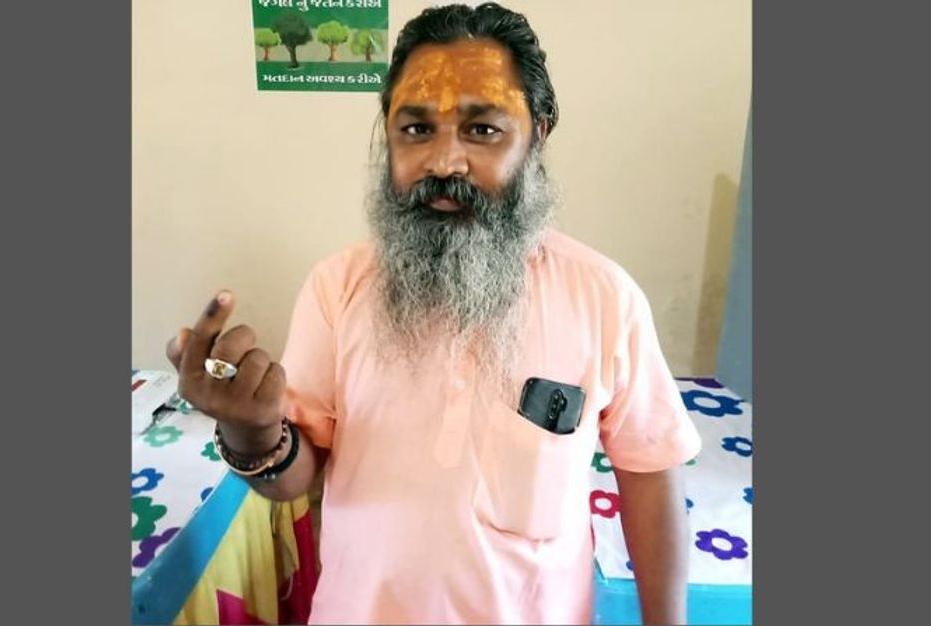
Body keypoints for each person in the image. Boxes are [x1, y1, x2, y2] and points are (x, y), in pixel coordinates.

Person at [166, 3, 701, 624]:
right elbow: (294, 475)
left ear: (538, 132)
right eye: (416, 129)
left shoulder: (605, 296)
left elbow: (650, 470)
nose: (445, 162)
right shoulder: (337, 286)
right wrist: (253, 435)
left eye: (482, 129)